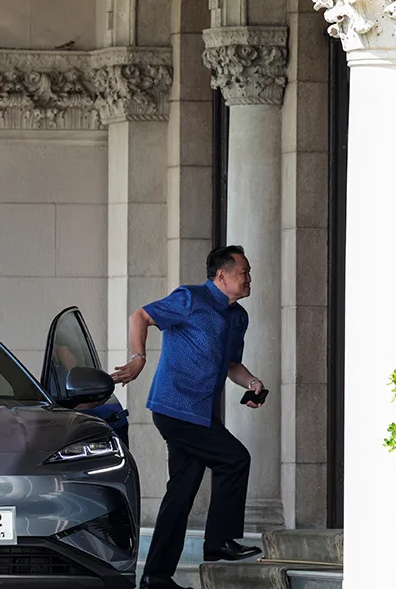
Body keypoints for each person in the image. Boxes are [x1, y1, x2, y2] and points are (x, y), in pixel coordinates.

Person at [111, 245, 266, 589]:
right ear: (221, 276)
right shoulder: (191, 298)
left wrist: (253, 383)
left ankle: (155, 577)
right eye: (244, 272)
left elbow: (230, 365)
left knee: (181, 494)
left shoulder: (237, 316)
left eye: (250, 272)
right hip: (175, 408)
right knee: (235, 459)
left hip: (200, 413)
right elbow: (141, 316)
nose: (249, 278)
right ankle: (218, 542)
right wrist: (138, 357)